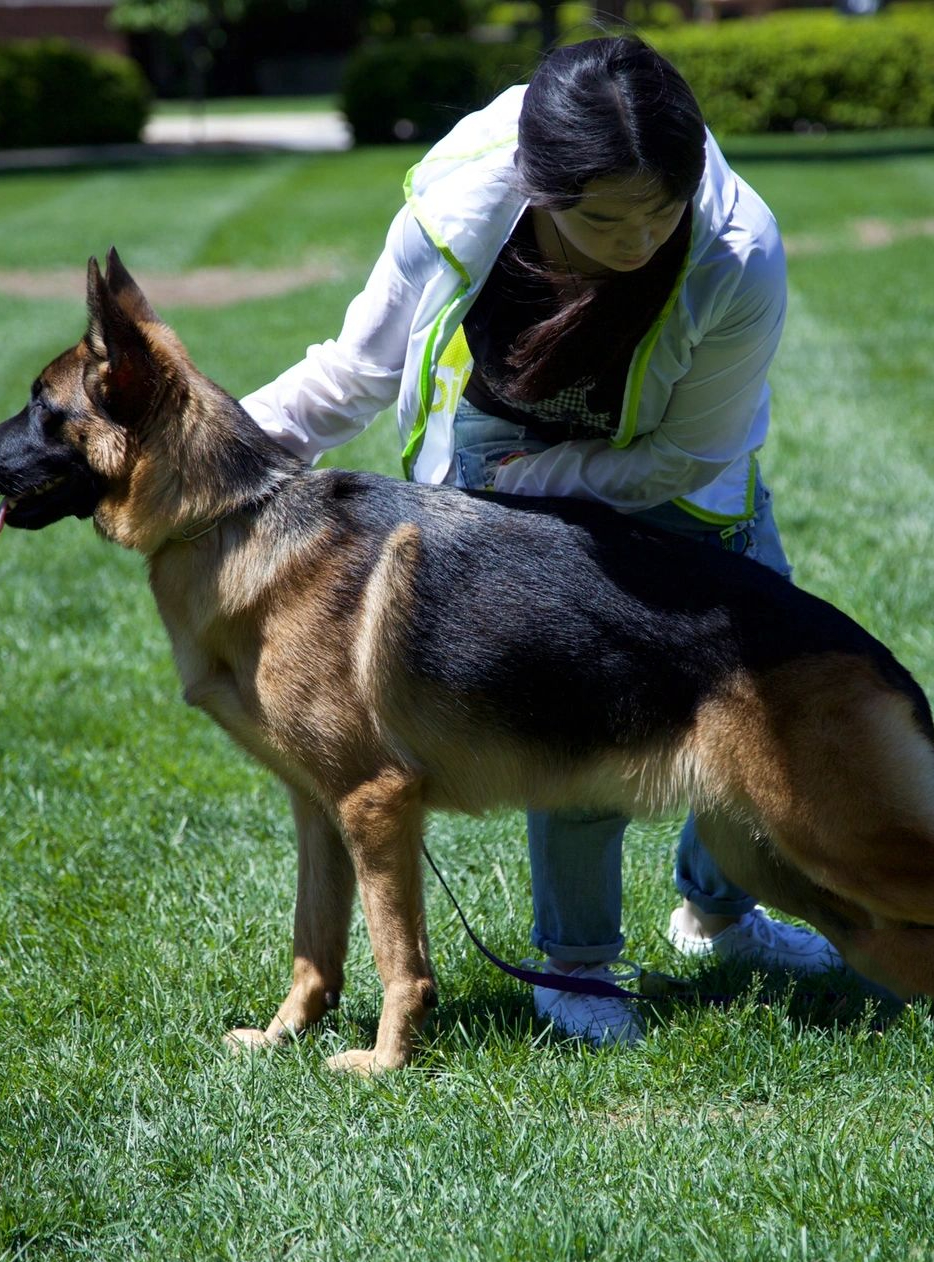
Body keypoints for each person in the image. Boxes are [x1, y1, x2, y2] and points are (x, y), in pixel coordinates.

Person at [241, 35, 843, 1046]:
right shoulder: (459, 206)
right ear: (538, 188)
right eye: (604, 217)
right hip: (498, 450)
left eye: (661, 210)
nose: (639, 238)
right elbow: (351, 375)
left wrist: (542, 484)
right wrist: (211, 457)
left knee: (769, 696)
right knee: (590, 706)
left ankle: (721, 907)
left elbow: (686, 459)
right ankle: (579, 967)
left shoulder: (738, 252)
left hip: (679, 474)